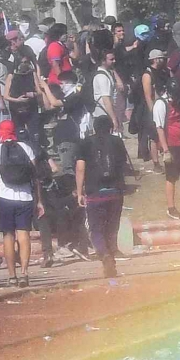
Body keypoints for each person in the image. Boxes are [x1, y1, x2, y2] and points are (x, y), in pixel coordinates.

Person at [0, 117, 40, 286]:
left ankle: (11, 276)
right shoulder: (26, 148)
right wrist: (39, 201)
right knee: (24, 235)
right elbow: (35, 177)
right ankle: (24, 272)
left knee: (8, 236)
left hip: (4, 199)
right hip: (25, 198)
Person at [77, 109, 130, 280]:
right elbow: (123, 166)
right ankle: (111, 255)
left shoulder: (85, 143)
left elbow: (80, 168)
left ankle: (104, 255)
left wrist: (79, 192)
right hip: (115, 192)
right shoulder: (117, 142)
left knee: (96, 230)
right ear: (110, 128)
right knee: (111, 228)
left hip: (94, 192)